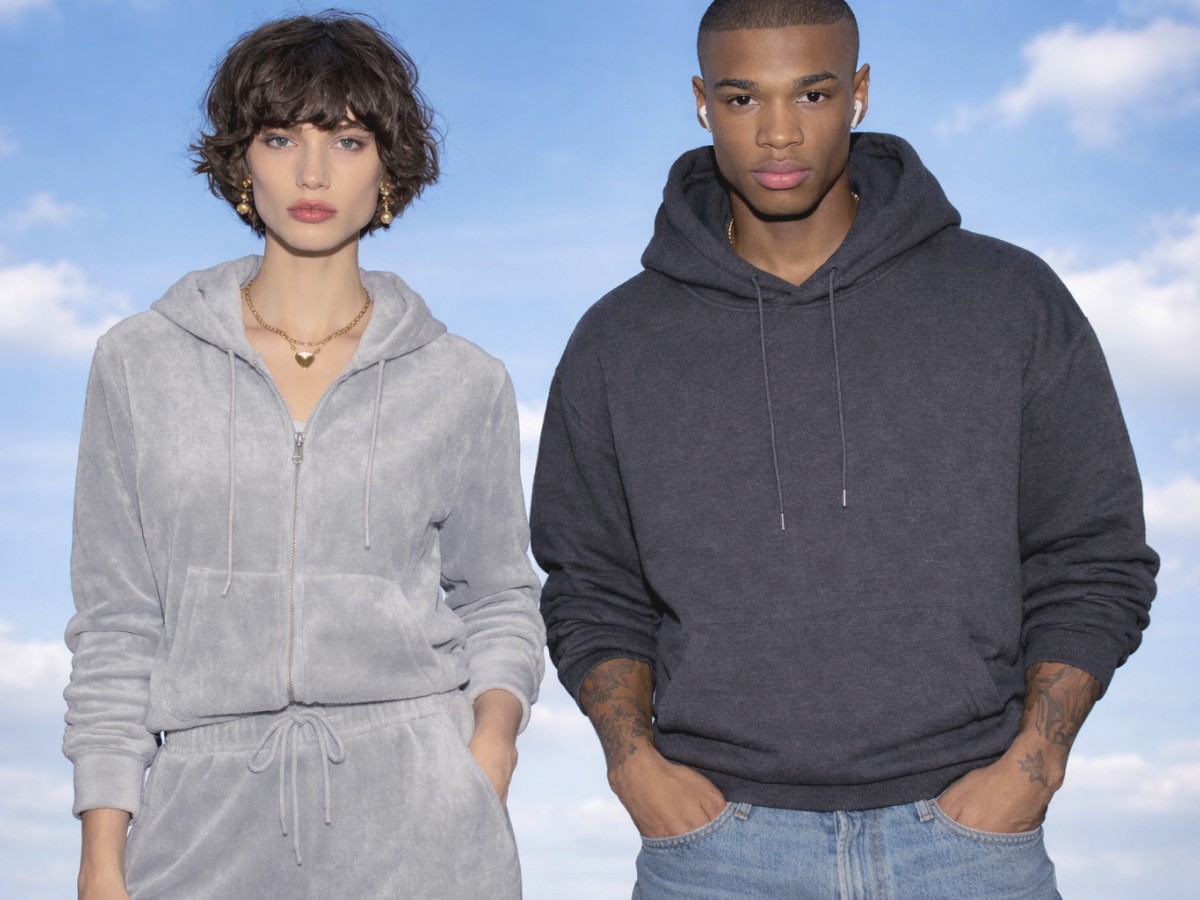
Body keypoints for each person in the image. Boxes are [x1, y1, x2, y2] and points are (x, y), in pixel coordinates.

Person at [530, 1, 1158, 897]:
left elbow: (1093, 553)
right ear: (701, 103)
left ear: (859, 93)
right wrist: (636, 768)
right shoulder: (617, 339)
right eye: (744, 99)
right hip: (717, 851)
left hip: (969, 841)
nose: (779, 133)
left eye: (813, 93)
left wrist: (1036, 763)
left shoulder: (1008, 299)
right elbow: (591, 583)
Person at [62, 13, 544, 899]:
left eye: (349, 139)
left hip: (421, 828)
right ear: (242, 161)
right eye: (281, 137)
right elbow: (117, 624)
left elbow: (501, 594)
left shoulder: (464, 380)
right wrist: (102, 852)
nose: (313, 173)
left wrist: (490, 749)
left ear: (388, 169)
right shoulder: (138, 363)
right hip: (197, 823)